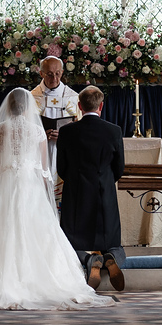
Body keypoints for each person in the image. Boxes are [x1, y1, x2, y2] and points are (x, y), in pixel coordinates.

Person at [0, 88, 114, 310]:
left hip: (5, 186)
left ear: (8, 106)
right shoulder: (37, 132)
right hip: (30, 189)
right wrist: (47, 198)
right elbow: (44, 170)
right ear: (29, 108)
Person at [56, 85, 127, 291]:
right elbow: (119, 168)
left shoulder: (67, 131)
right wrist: (104, 180)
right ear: (101, 106)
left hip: (76, 194)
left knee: (70, 243)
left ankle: (89, 261)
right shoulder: (114, 131)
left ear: (79, 106)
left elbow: (61, 167)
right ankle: (110, 258)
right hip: (104, 193)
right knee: (114, 243)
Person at [29, 55, 80, 174]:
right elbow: (24, 127)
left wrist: (65, 136)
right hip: (38, 152)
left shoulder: (73, 98)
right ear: (41, 73)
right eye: (49, 74)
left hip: (64, 151)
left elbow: (81, 128)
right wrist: (39, 135)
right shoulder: (31, 98)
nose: (54, 78)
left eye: (57, 74)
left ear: (62, 72)